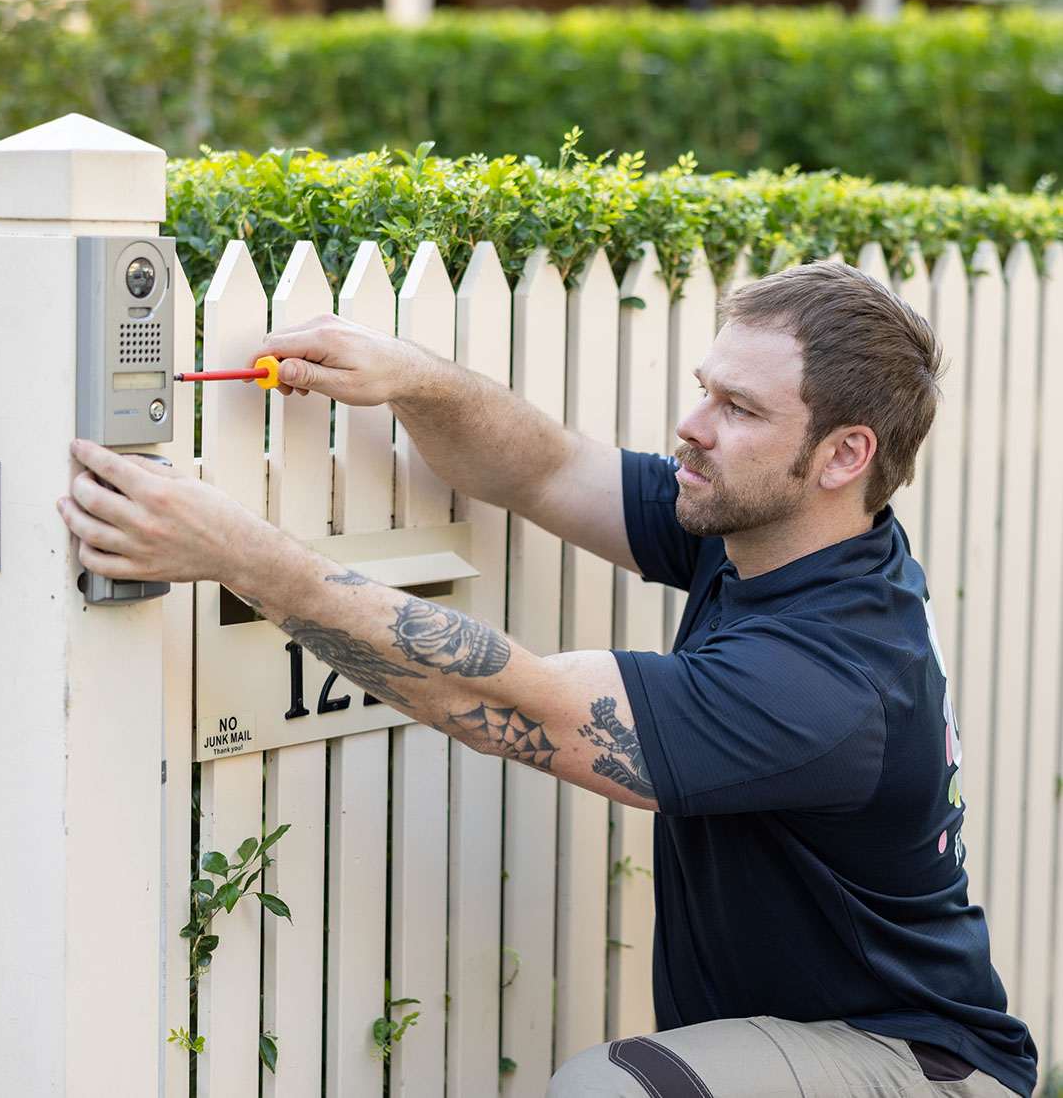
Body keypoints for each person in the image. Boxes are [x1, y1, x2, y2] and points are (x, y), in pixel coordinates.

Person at [57, 260, 1037, 1097]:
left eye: (738, 408)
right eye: (706, 388)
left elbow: (503, 703)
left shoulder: (833, 683)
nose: (692, 425)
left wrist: (246, 556)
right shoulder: (776, 533)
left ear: (844, 456)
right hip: (796, 1044)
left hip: (911, 1066)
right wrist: (414, 379)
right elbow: (547, 471)